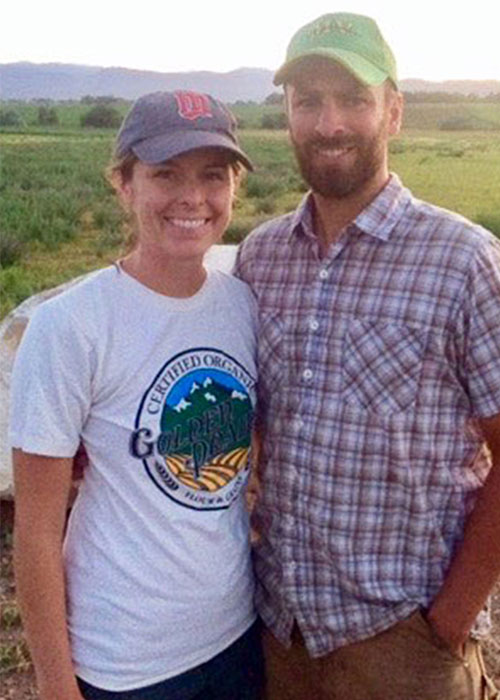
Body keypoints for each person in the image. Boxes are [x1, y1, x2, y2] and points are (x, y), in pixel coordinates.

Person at [235, 12, 500, 700]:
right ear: (287, 114)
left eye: (353, 99)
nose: (329, 123)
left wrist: (447, 621)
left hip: (402, 643)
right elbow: (256, 416)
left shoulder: (463, 260)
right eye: (309, 101)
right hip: (279, 634)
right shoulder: (261, 256)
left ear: (394, 112)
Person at [10, 90, 263, 700]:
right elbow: (37, 528)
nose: (192, 198)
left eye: (212, 175)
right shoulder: (70, 326)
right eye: (165, 175)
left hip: (239, 632)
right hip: (124, 663)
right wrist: (54, 684)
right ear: (124, 185)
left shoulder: (243, 305)